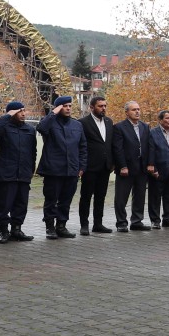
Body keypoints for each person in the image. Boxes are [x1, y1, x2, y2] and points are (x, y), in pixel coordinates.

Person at [36, 95, 86, 239]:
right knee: (51, 200)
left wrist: (82, 166)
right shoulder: (50, 122)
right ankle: (50, 227)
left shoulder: (77, 125)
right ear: (58, 108)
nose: (68, 108)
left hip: (72, 170)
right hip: (53, 170)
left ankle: (61, 226)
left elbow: (83, 147)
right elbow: (41, 128)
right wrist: (53, 113)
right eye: (65, 106)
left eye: (70, 106)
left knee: (66, 201)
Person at [0, 100, 37, 243]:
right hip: (7, 172)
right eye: (19, 111)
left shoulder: (30, 129)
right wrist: (7, 116)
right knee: (4, 204)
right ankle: (4, 231)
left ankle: (16, 229)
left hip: (24, 172)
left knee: (21, 203)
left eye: (23, 111)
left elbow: (33, 151)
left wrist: (31, 169)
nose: (23, 114)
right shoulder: (4, 128)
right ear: (11, 113)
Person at [109, 100, 151, 232]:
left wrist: (150, 164)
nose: (137, 112)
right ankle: (121, 222)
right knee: (121, 197)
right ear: (126, 112)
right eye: (134, 110)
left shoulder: (145, 126)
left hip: (142, 167)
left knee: (139, 196)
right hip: (126, 168)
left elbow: (149, 146)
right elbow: (118, 149)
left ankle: (137, 221)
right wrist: (122, 166)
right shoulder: (119, 127)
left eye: (138, 109)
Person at [76, 97, 114, 235]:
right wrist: (81, 165)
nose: (103, 108)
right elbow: (80, 145)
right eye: (100, 106)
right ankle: (84, 225)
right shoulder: (82, 123)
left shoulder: (109, 122)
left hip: (105, 166)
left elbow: (109, 143)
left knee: (100, 196)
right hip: (90, 166)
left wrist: (112, 162)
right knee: (86, 196)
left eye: (105, 106)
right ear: (91, 107)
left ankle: (98, 224)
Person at [146, 110, 169, 228]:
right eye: (167, 118)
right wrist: (153, 167)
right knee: (155, 197)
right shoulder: (152, 133)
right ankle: (155, 220)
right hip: (158, 170)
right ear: (160, 120)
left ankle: (168, 219)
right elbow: (150, 151)